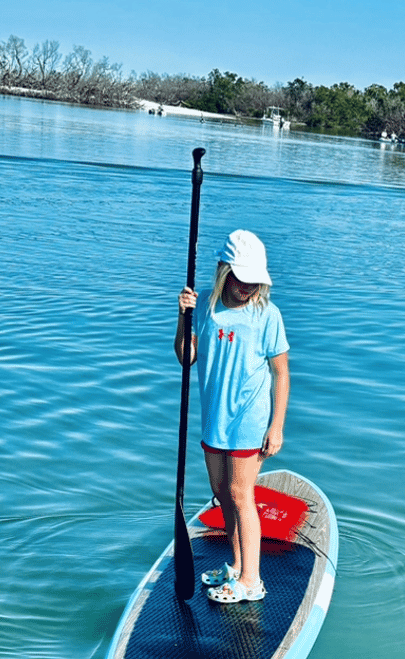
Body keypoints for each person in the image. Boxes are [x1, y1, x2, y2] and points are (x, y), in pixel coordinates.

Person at [176, 229, 290, 604]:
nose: (248, 288)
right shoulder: (206, 306)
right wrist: (183, 318)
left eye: (255, 281)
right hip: (215, 419)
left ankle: (252, 581)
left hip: (249, 420)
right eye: (242, 279)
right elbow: (185, 358)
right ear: (225, 271)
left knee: (242, 495)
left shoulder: (267, 315)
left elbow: (281, 373)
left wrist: (276, 425)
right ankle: (238, 567)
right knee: (222, 494)